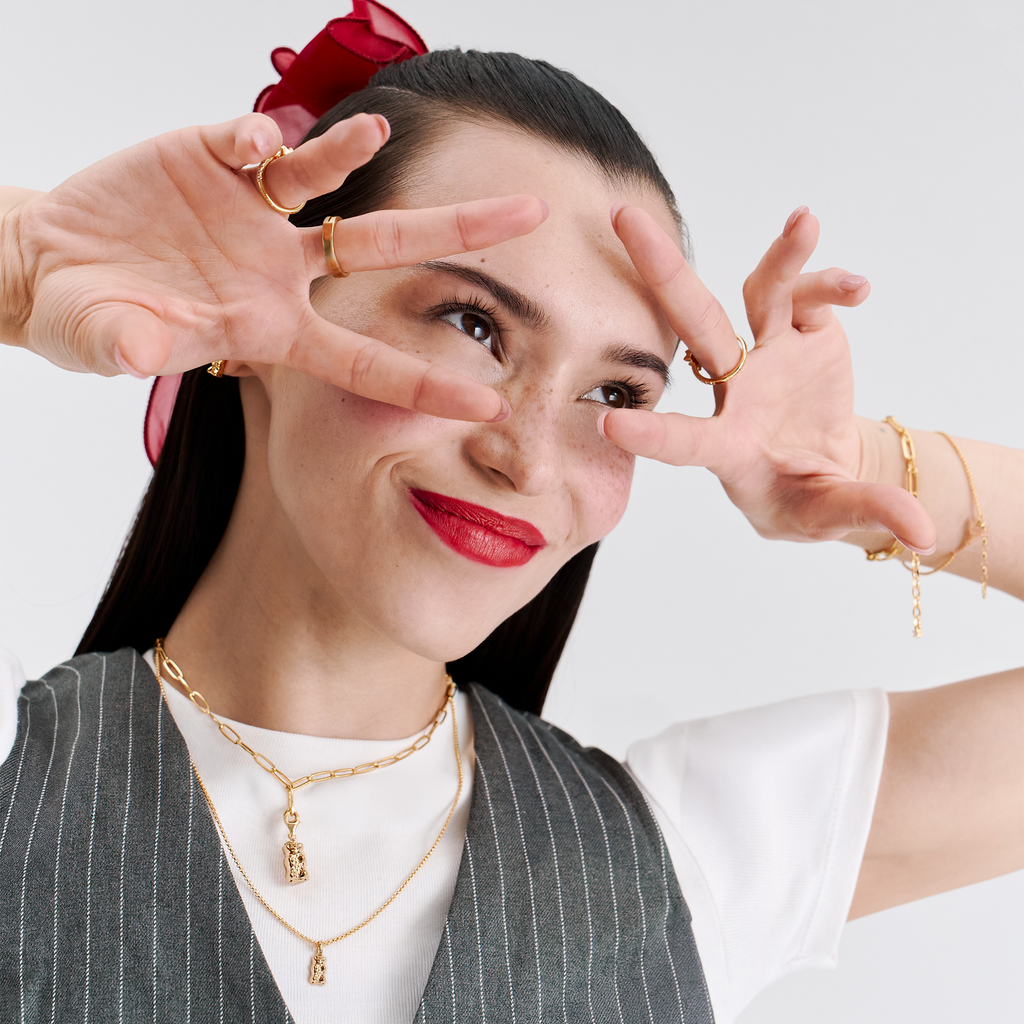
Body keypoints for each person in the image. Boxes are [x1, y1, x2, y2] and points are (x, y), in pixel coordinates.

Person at [0, 4, 1020, 1022]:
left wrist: (859, 465)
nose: (525, 454)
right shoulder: (20, 786)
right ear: (262, 318)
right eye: (471, 322)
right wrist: (23, 265)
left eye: (616, 394)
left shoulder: (690, 852)